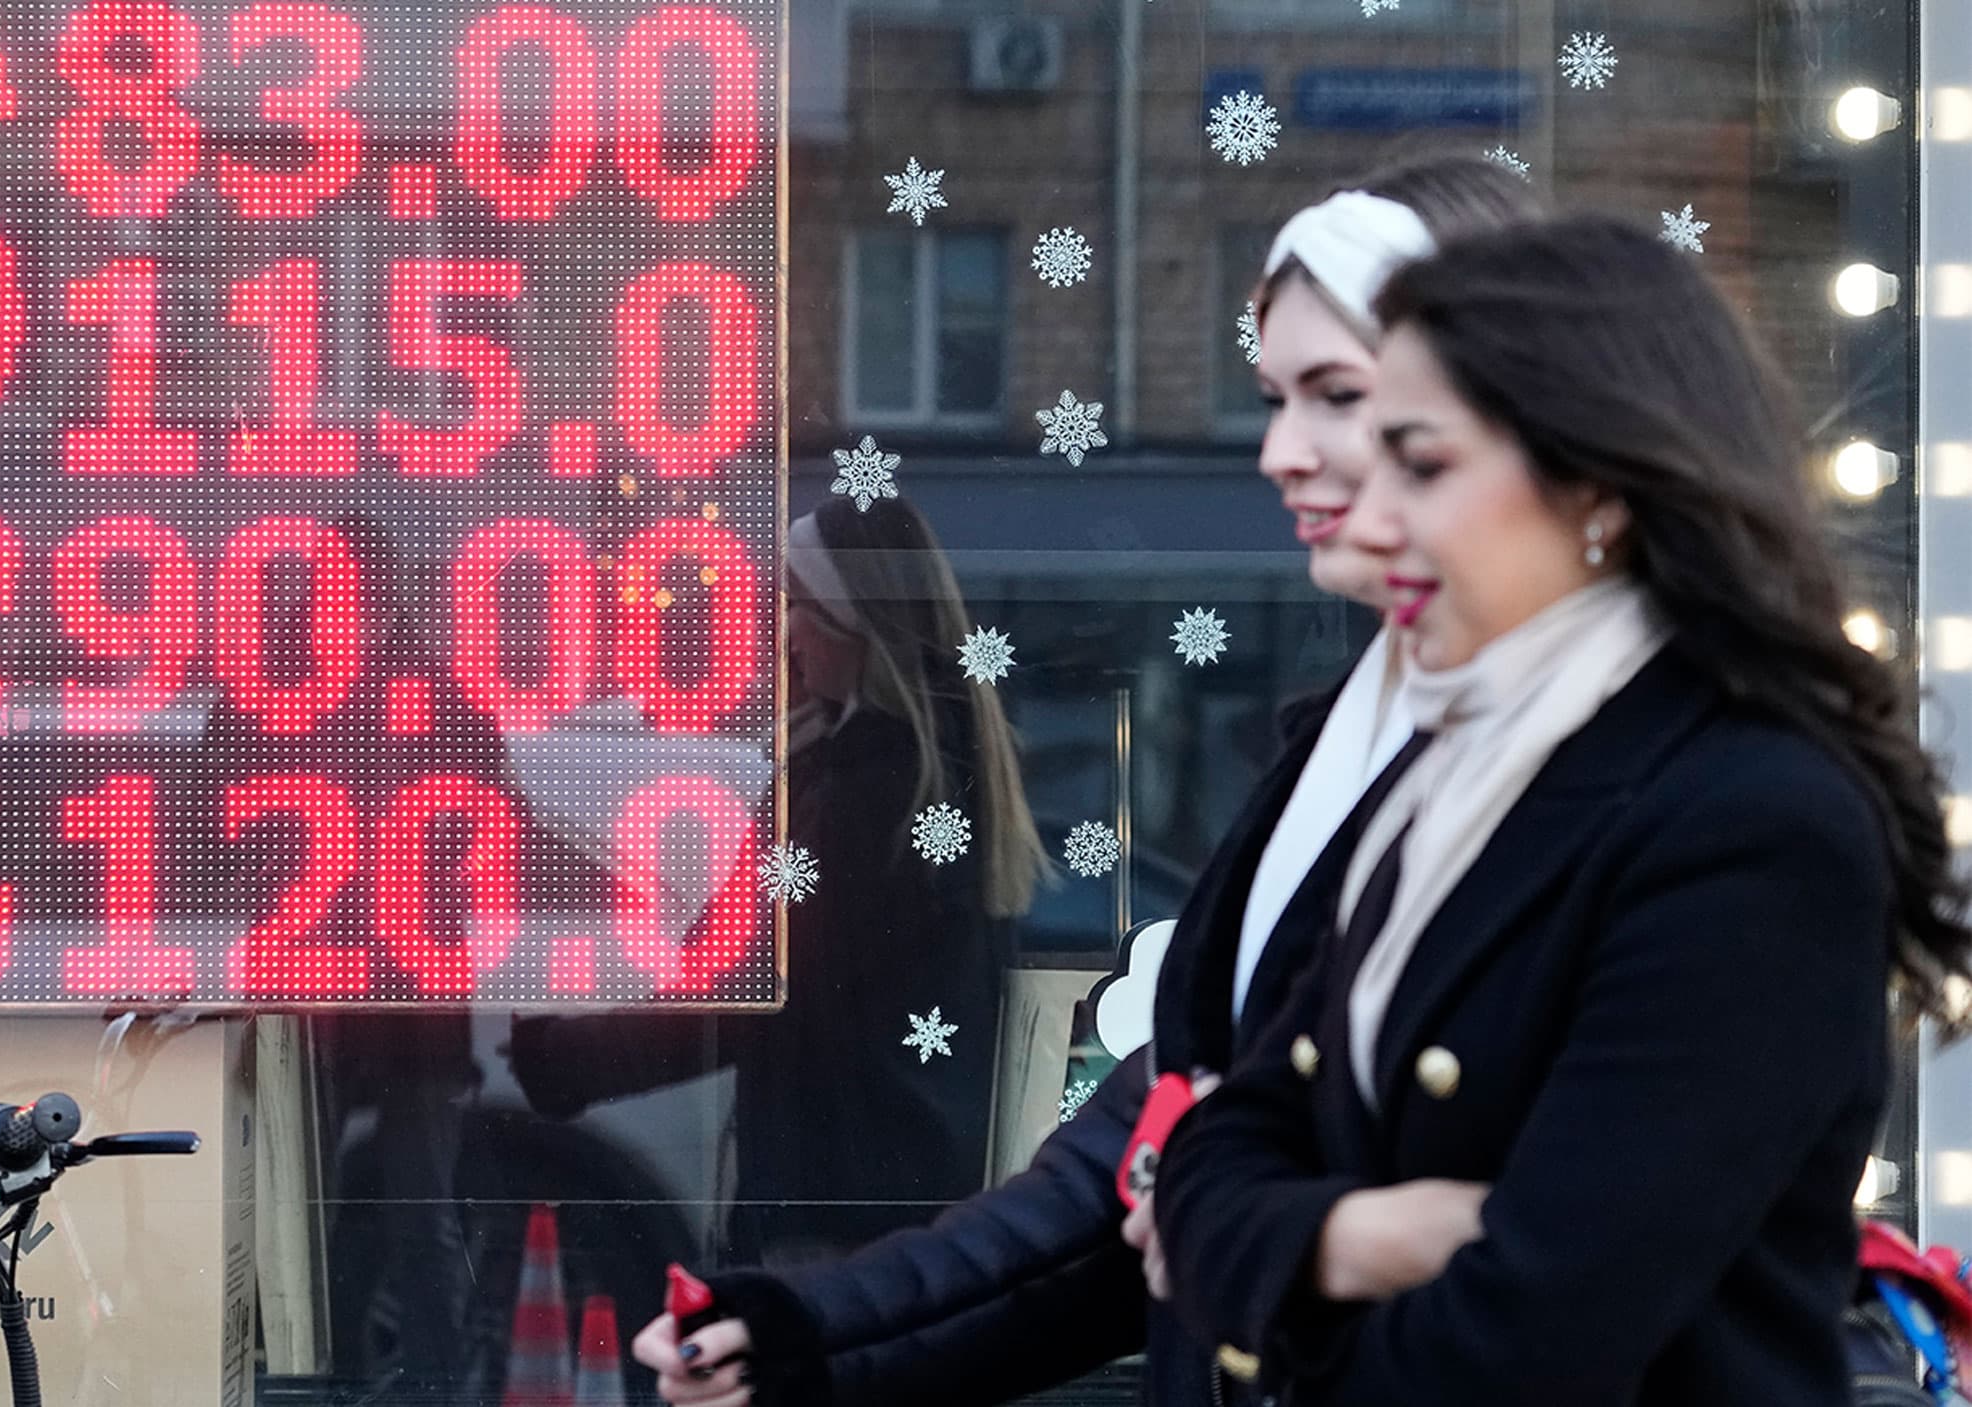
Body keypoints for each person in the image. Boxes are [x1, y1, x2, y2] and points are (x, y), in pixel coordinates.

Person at [627, 153, 1540, 1407]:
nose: (1280, 452)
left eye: (1336, 394)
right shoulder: (1336, 758)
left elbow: (1597, 1244)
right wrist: (802, 1339)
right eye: (1275, 397)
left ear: (1507, 396)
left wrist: (1241, 1219)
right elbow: (1118, 1174)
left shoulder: (1676, 777)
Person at [1152, 213, 1972, 1407]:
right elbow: (1212, 1154)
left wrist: (1272, 1278)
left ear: (1596, 482)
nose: (1370, 522)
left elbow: (1520, 1343)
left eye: (1420, 466)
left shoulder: (1750, 819)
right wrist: (1364, 1241)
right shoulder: (1459, 770)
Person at [509, 492, 1049, 1263]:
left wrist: (561, 1060)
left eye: (795, 603)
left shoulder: (863, 798)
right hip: (902, 1191)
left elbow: (745, 988)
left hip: (839, 1211)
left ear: (847, 621)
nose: (780, 629)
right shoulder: (930, 771)